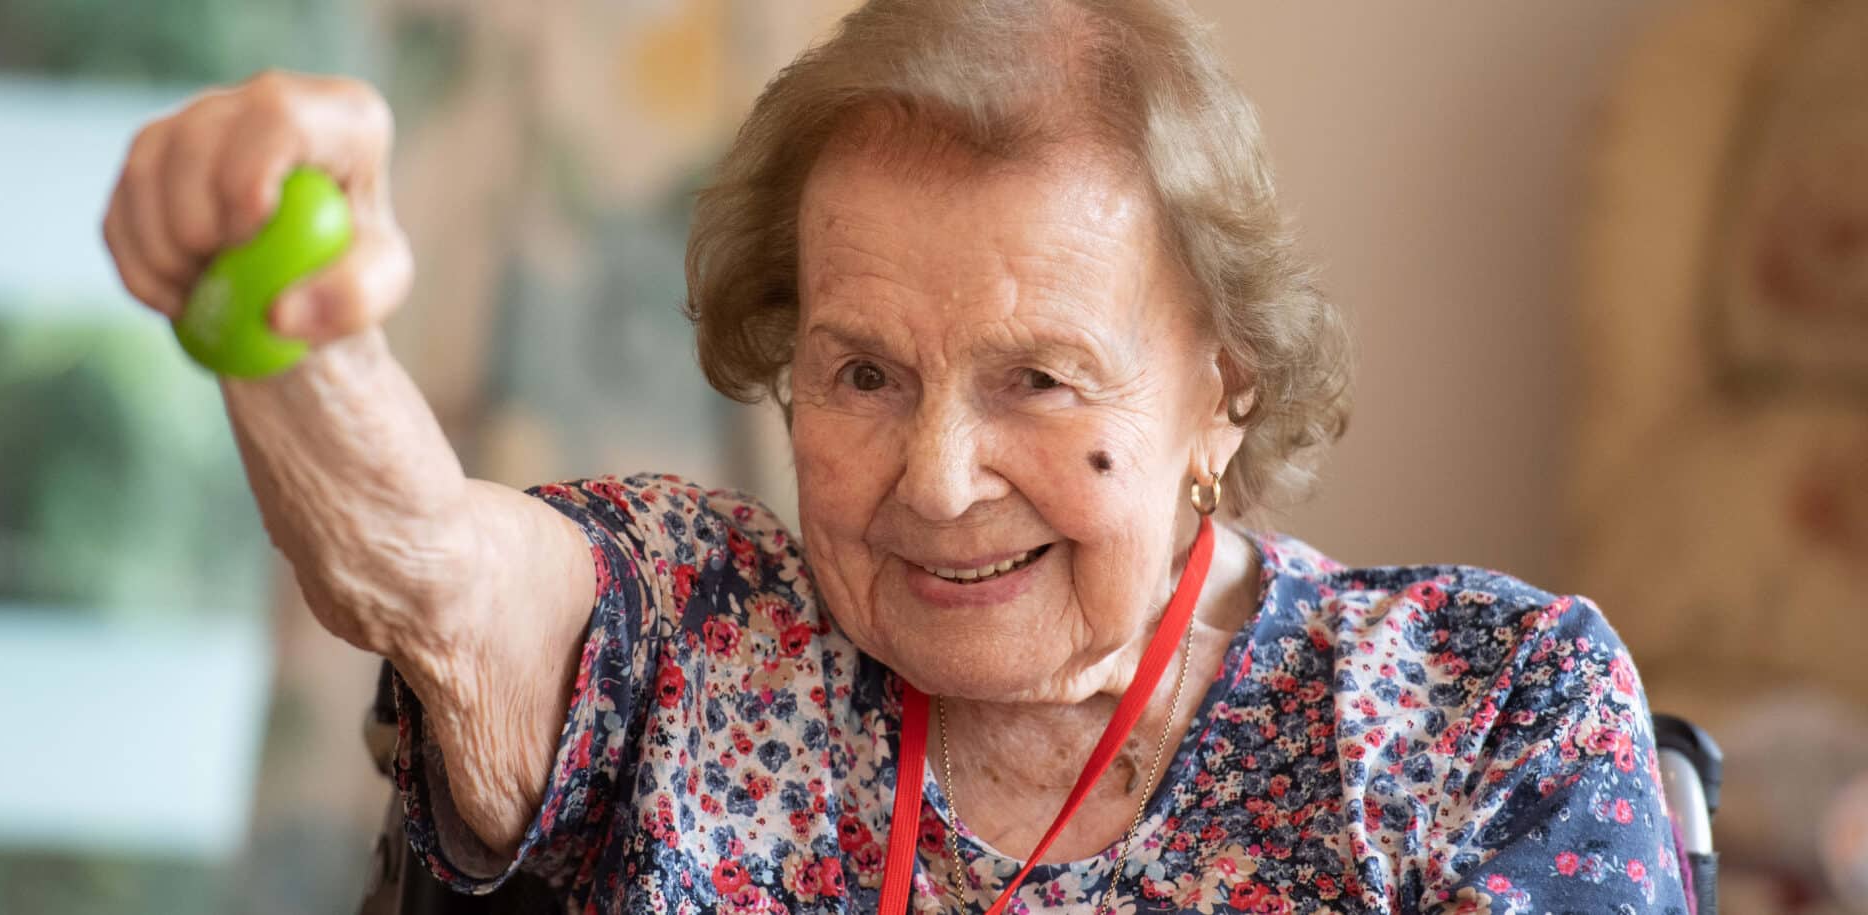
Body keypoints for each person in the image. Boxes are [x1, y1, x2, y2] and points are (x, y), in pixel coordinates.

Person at [101, 1, 1688, 912]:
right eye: (862, 372)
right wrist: (285, 318)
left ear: (1225, 388)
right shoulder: (687, 635)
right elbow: (425, 565)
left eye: (1041, 382)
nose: (935, 478)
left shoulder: (1479, 707)